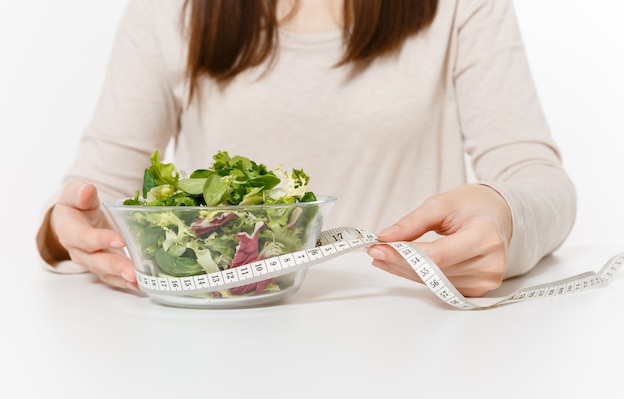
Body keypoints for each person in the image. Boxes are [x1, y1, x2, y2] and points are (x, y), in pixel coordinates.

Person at [36, 0, 576, 298]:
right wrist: (67, 229)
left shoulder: (462, 6)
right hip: (223, 348)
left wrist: (502, 215)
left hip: (409, 337)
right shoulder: (170, 11)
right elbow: (96, 192)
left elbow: (538, 177)